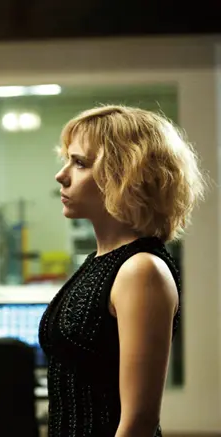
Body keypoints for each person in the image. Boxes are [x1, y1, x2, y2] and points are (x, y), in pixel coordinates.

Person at [38, 105, 206, 437]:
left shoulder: (141, 270)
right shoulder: (100, 262)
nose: (61, 175)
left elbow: (139, 422)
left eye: (80, 163)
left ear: (125, 176)